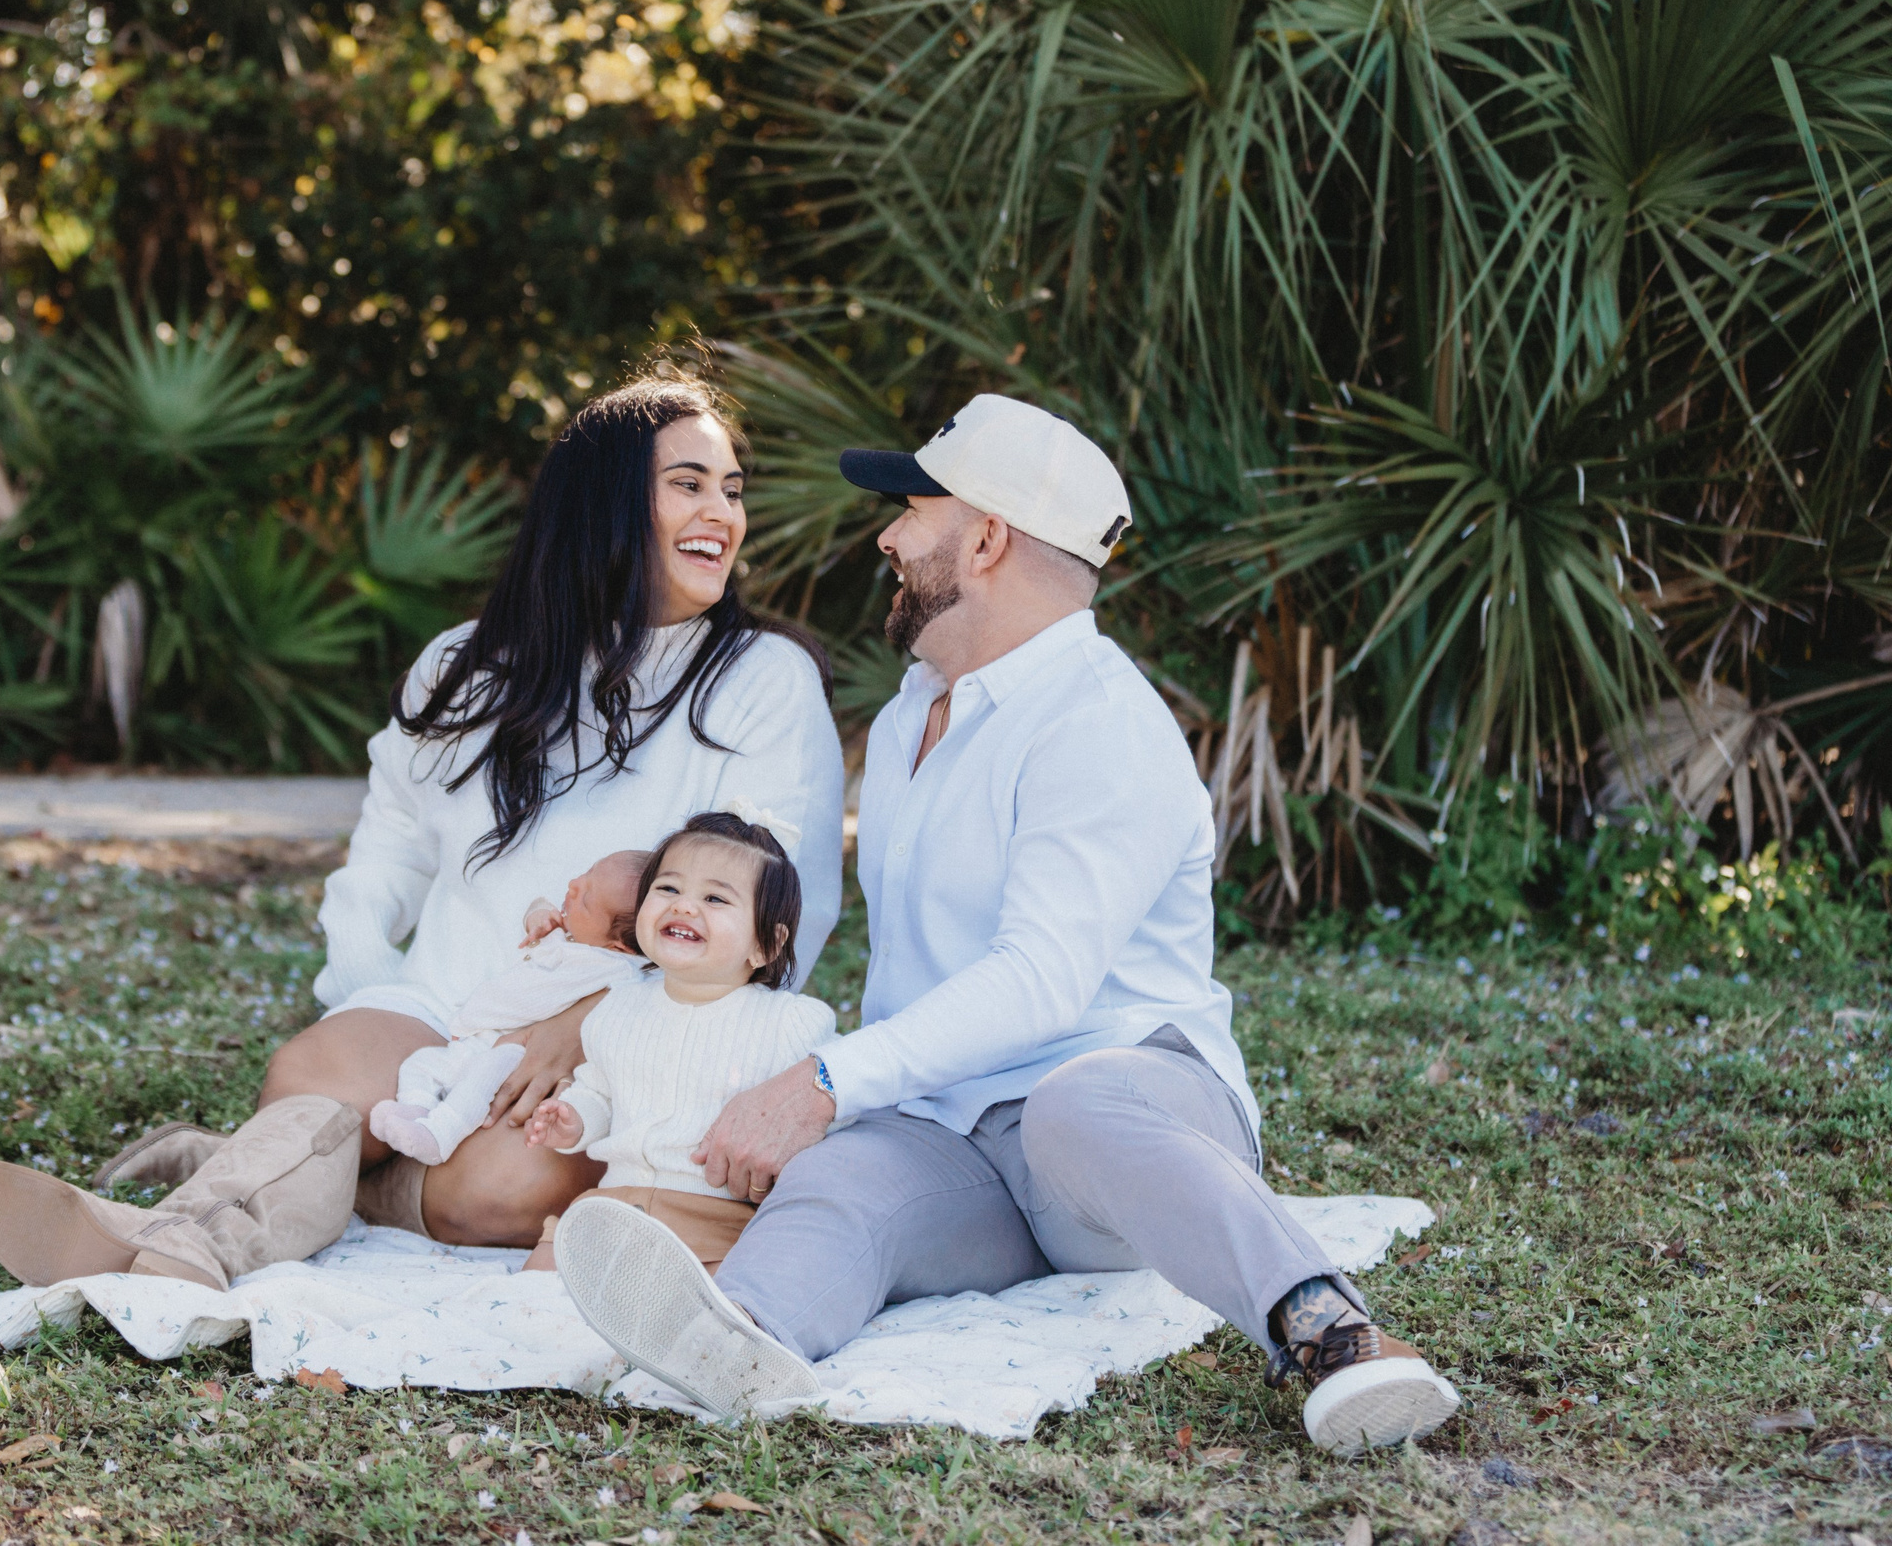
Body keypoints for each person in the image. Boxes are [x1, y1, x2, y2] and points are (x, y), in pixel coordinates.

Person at [553, 393, 1462, 1455]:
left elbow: (1042, 981)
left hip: (1118, 1118)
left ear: (984, 536)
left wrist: (823, 1082)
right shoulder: (908, 714)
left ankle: (1336, 1336)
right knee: (838, 1179)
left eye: (912, 511)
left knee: (1071, 1105)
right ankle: (740, 1338)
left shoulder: (1098, 722)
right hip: (953, 1139)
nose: (887, 536)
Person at [0, 360, 849, 1288]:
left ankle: (287, 1171)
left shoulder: (763, 680)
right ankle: (179, 1245)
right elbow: (386, 852)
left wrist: (594, 1019)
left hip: (632, 1032)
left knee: (494, 1194)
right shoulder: (469, 666)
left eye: (733, 492)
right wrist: (369, 1001)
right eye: (689, 486)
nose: (723, 514)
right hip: (446, 1005)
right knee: (315, 1076)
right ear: (607, 504)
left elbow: (785, 909)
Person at [520, 807, 836, 1274]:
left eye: (715, 899)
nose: (685, 906)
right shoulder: (616, 1010)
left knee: (719, 1299)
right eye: (668, 888)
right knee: (541, 1276)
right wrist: (574, 1119)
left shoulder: (791, 1023)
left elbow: (816, 1112)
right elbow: (599, 1093)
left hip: (719, 1219)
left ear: (766, 944)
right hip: (613, 1203)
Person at [369, 849, 654, 1166]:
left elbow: (637, 989)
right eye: (586, 874)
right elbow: (538, 907)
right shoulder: (568, 934)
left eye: (586, 898)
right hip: (483, 1034)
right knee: (421, 1064)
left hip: (522, 1049)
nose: (573, 885)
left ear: (621, 946)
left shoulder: (618, 968)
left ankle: (440, 1135)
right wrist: (538, 916)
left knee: (481, 1080)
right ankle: (416, 1107)